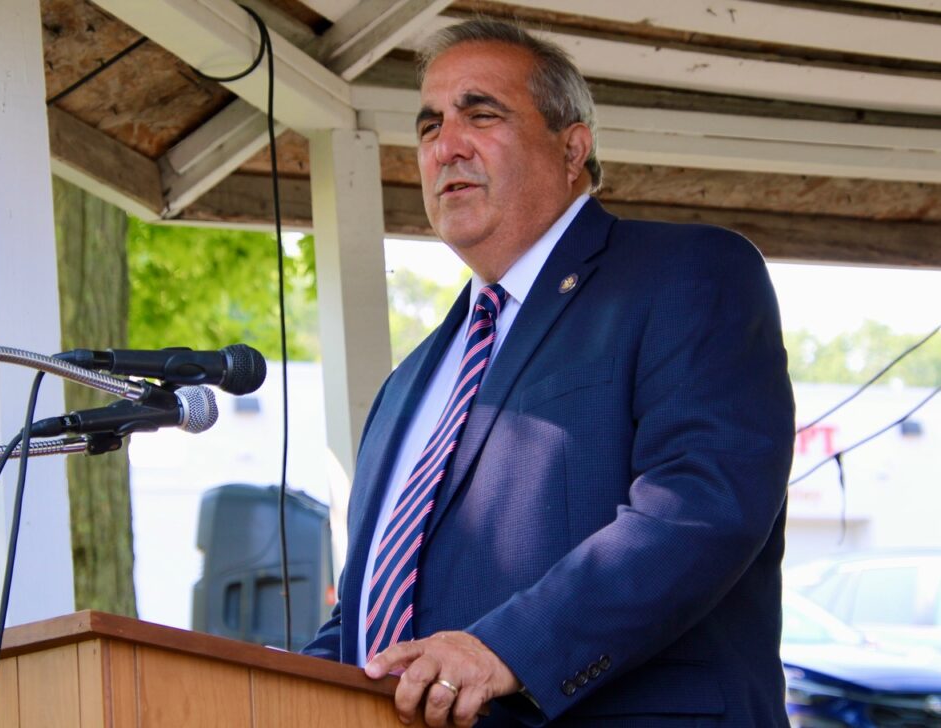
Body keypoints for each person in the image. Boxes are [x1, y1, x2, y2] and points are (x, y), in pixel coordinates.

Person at [304, 18, 795, 728]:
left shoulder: (688, 276)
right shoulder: (409, 383)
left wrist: (505, 649)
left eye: (481, 114)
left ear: (572, 149)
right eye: (429, 126)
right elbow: (373, 615)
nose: (447, 146)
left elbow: (700, 506)